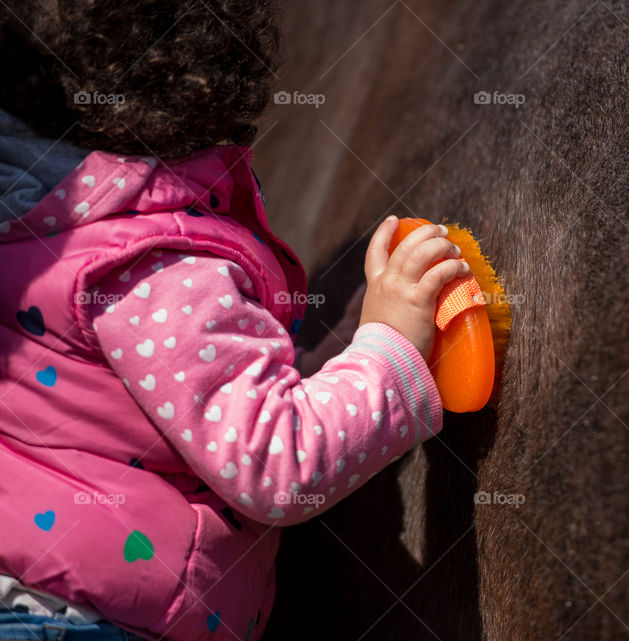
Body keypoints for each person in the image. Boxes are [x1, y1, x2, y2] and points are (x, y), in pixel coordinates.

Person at [0, 1, 467, 639]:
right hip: (87, 621)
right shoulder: (157, 265)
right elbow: (279, 462)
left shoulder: (29, 232)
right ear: (201, 82)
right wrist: (390, 349)